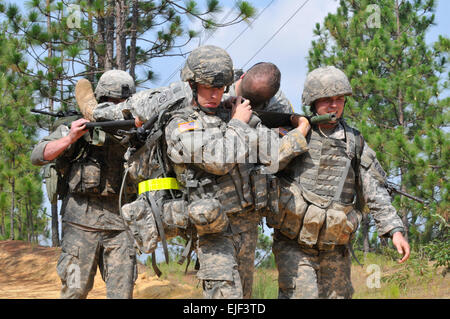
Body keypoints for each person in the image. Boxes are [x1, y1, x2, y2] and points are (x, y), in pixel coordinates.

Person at [163, 45, 310, 298]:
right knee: (226, 296)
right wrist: (239, 123)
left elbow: (273, 157)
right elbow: (218, 160)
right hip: (214, 229)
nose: (214, 94)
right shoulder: (183, 123)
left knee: (244, 298)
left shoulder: (234, 114)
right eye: (208, 87)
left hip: (247, 226)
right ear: (192, 85)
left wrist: (300, 131)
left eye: (220, 87)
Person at [269, 66, 410, 299]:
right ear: (313, 102)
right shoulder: (294, 135)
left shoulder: (354, 142)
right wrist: (300, 131)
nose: (333, 105)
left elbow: (374, 190)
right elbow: (269, 167)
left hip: (334, 245)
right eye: (326, 100)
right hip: (294, 243)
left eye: (339, 99)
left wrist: (394, 230)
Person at [30, 70, 138, 299]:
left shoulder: (136, 130)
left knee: (122, 293)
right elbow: (39, 155)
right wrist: (70, 138)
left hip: (120, 225)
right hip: (80, 224)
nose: (115, 107)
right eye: (111, 101)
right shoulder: (78, 127)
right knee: (74, 289)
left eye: (121, 102)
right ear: (100, 99)